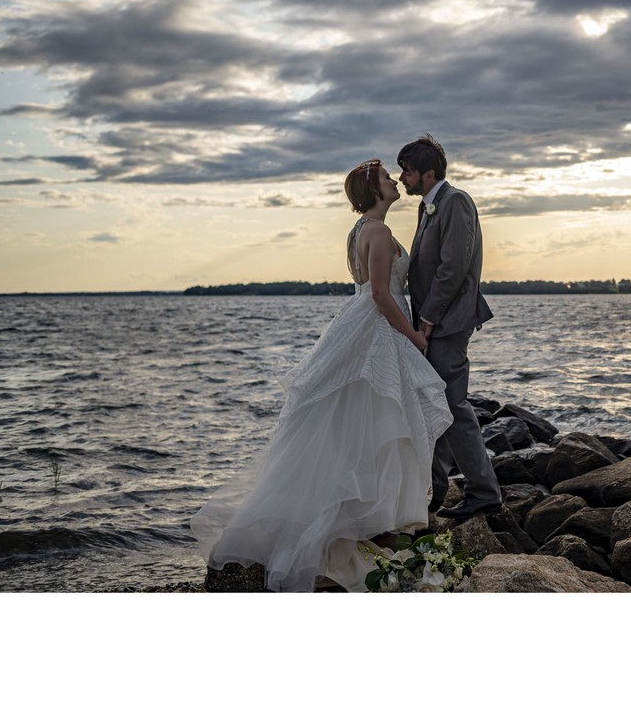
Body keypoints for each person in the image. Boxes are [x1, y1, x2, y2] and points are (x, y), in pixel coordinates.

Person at [190, 159, 453, 592]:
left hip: (358, 324)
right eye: (387, 178)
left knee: (358, 419)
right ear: (374, 190)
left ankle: (365, 515)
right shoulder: (380, 232)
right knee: (380, 418)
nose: (393, 182)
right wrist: (414, 337)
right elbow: (384, 295)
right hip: (378, 329)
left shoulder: (357, 231)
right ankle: (369, 517)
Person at [398, 134, 502, 519]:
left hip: (447, 321)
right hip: (436, 322)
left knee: (453, 405)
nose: (402, 178)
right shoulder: (429, 207)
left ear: (427, 173)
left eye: (407, 172)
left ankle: (484, 492)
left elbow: (453, 268)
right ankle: (436, 490)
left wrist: (426, 322)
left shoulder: (455, 201)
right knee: (436, 403)